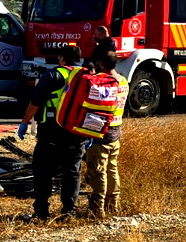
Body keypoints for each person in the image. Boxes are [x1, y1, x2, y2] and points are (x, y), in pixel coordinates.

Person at [18, 45, 85, 221]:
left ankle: (41, 211)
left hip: (51, 129)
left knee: (43, 169)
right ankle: (69, 211)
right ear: (78, 59)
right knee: (72, 170)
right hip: (78, 131)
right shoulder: (86, 76)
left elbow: (36, 102)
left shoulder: (54, 75)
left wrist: (25, 122)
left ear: (61, 58)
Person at [84, 49, 129, 218]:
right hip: (116, 130)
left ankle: (98, 208)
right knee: (112, 168)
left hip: (101, 131)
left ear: (101, 64)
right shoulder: (123, 81)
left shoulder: (103, 82)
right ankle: (113, 205)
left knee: (98, 169)